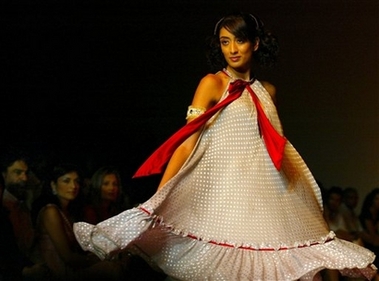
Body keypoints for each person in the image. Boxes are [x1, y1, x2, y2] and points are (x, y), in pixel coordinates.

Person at [74, 12, 376, 280]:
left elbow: (275, 149)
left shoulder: (267, 91)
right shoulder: (212, 83)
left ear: (255, 44)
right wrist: (158, 198)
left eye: (239, 40)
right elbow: (186, 142)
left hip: (261, 198)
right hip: (222, 196)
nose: (232, 49)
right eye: (224, 41)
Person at [31, 163, 124, 280]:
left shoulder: (69, 212)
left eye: (76, 181)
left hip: (71, 267)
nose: (73, 186)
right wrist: (97, 258)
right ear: (53, 185)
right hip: (58, 272)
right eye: (66, 181)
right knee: (113, 269)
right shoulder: (51, 211)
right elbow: (68, 258)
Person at [359, 188, 379, 268]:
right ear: (372, 200)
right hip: (365, 244)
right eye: (377, 199)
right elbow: (373, 237)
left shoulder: (377, 215)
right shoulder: (367, 214)